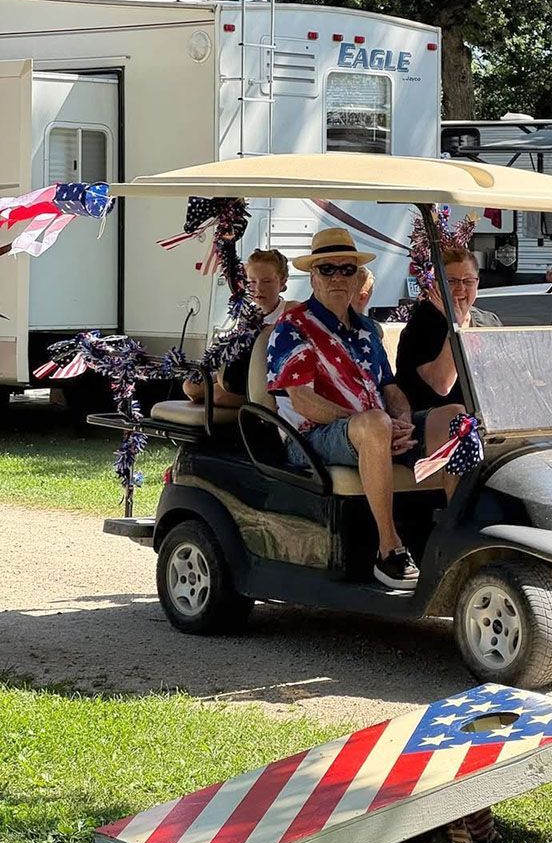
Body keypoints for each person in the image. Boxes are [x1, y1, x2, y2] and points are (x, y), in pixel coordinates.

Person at [266, 227, 461, 589]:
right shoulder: (293, 327)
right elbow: (302, 401)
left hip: (372, 428)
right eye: (328, 269)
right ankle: (389, 550)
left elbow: (390, 386)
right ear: (313, 276)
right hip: (312, 438)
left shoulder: (368, 329)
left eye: (346, 269)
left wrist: (401, 419)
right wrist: (374, 424)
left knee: (455, 418)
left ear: (358, 277)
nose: (338, 277)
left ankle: (456, 539)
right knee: (373, 424)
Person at [396, 245, 501, 412]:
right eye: (451, 281)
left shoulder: (489, 321)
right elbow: (442, 384)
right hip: (434, 418)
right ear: (437, 285)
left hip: (486, 418)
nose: (460, 288)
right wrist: (456, 325)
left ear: (477, 283)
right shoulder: (423, 323)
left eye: (468, 281)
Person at [184, 248, 289, 407]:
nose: (259, 288)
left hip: (266, 378)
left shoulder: (289, 311)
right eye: (252, 282)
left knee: (219, 396)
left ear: (282, 282)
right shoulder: (249, 315)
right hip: (241, 374)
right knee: (190, 386)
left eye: (267, 281)